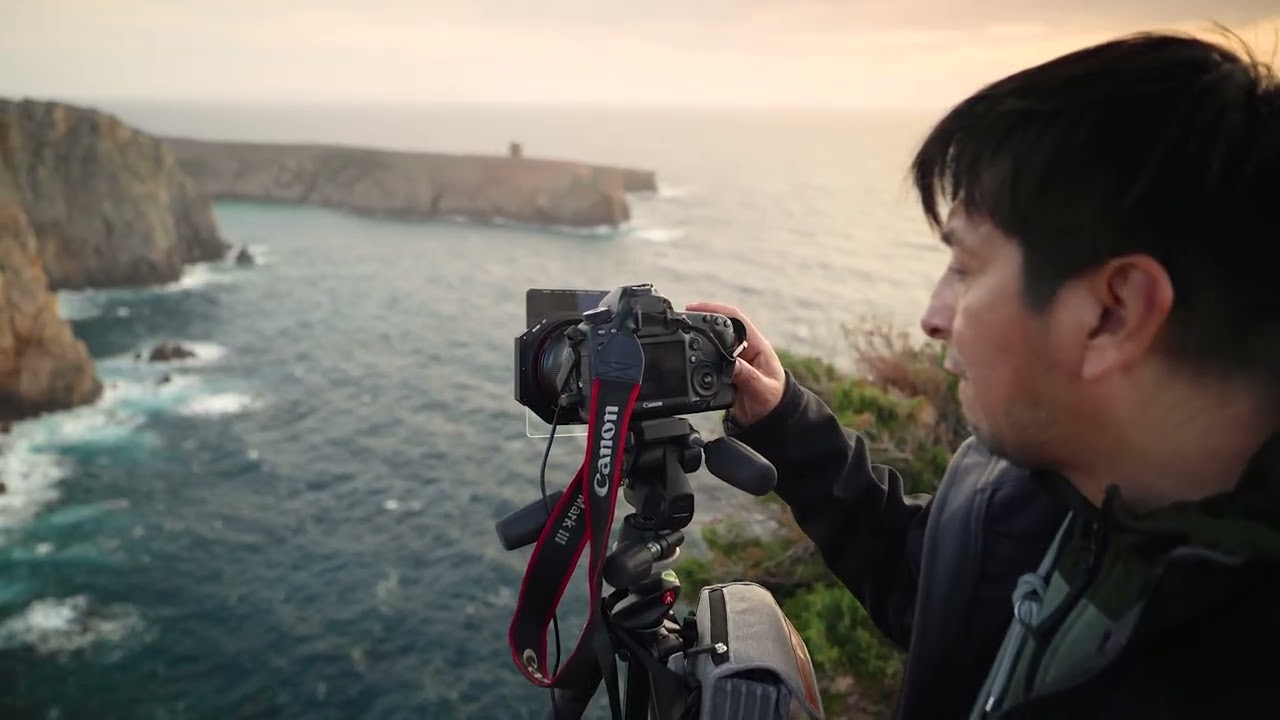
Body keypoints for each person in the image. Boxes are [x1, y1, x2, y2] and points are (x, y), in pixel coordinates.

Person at [689, 30, 1280, 719]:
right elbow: (938, 598)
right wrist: (785, 418)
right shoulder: (1044, 496)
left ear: (1112, 313)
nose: (933, 318)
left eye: (965, 268)